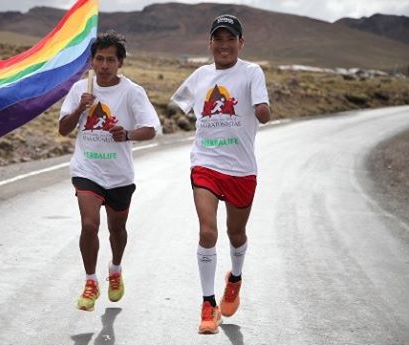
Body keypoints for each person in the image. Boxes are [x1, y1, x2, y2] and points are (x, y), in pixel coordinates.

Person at [171, 14, 271, 334]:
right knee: (208, 232)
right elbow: (178, 105)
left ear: (241, 43)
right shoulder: (200, 75)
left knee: (236, 234)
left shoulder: (252, 72)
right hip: (206, 164)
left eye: (231, 39)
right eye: (219, 39)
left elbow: (263, 109)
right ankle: (208, 305)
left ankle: (235, 279)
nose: (224, 45)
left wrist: (262, 111)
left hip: (241, 169)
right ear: (210, 43)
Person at [59, 31, 161, 311]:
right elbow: (63, 129)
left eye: (110, 60)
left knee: (117, 229)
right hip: (86, 170)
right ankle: (91, 281)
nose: (104, 65)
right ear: (91, 61)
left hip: (119, 176)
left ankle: (115, 269)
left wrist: (127, 134)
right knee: (90, 225)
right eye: (99, 59)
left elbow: (151, 128)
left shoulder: (132, 92)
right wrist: (81, 107)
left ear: (120, 63)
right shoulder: (81, 89)